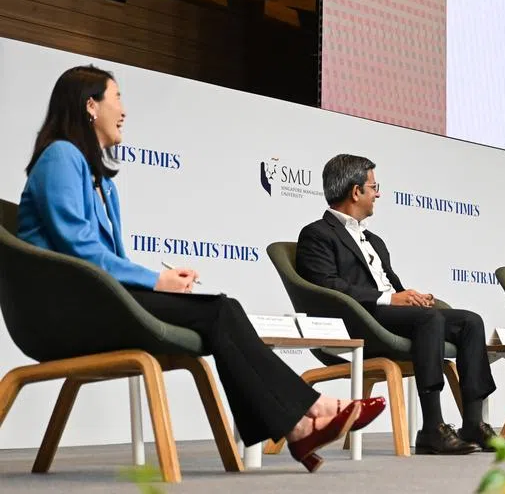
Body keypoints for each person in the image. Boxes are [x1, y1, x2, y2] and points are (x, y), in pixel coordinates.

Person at [16, 66, 385, 473]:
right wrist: (156, 281)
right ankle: (307, 413)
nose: (123, 110)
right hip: (63, 313)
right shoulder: (61, 156)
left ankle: (299, 425)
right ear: (90, 105)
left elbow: (109, 261)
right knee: (220, 310)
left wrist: (163, 284)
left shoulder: (104, 183)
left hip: (100, 301)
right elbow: (78, 249)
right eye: (116, 97)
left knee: (222, 310)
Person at [296, 154, 505, 455]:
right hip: (358, 321)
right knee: (429, 321)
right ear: (356, 191)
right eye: (374, 186)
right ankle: (432, 428)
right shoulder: (316, 235)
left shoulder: (374, 240)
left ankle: (474, 423)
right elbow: (327, 286)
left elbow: (390, 285)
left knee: (469, 321)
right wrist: (390, 298)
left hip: (389, 315)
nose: (378, 193)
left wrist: (410, 297)